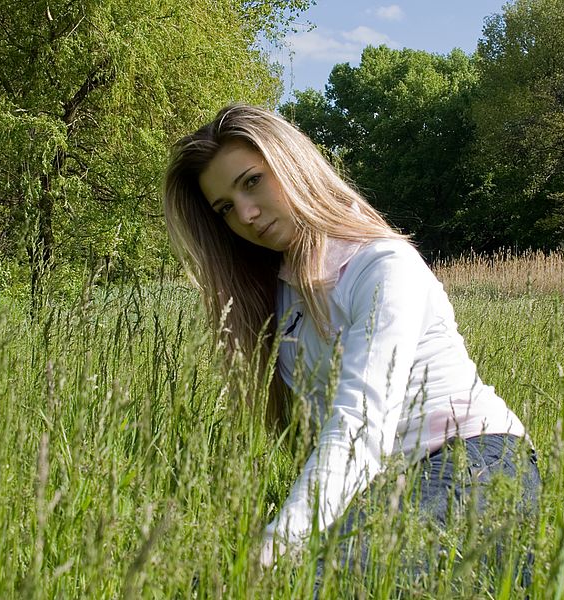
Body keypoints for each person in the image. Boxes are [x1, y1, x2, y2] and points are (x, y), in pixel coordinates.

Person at [162, 103, 540, 579]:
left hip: (473, 459)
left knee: (321, 581)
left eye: (252, 181)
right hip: (385, 486)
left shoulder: (382, 265)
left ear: (292, 163)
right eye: (225, 209)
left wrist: (279, 544)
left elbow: (360, 423)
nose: (247, 214)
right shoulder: (278, 292)